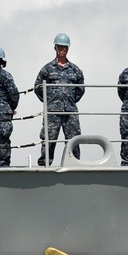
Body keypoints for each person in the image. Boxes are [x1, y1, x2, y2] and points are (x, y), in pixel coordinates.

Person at [34, 33, 85, 165]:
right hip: (52, 111)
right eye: (60, 47)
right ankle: (44, 166)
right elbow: (38, 88)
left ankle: (75, 165)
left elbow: (80, 89)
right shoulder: (47, 69)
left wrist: (70, 100)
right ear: (55, 48)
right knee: (48, 140)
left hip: (70, 111)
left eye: (65, 47)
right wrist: (49, 101)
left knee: (73, 140)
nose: (63, 49)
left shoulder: (75, 70)